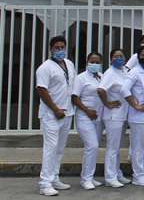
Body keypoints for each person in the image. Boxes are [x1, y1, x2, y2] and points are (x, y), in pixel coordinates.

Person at [36, 36, 75, 196]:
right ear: (51, 49)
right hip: (51, 114)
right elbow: (41, 89)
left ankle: (55, 177)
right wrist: (55, 109)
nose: (60, 50)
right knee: (50, 148)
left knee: (59, 148)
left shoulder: (69, 64)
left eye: (62, 47)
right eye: (57, 47)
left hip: (67, 113)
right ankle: (44, 183)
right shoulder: (45, 68)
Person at [122, 45, 144, 186]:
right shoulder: (134, 72)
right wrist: (135, 105)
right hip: (138, 116)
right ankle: (138, 176)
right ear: (138, 56)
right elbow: (124, 89)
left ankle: (141, 173)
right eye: (143, 54)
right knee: (138, 146)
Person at [97, 49, 130, 188]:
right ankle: (110, 177)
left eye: (121, 56)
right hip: (113, 115)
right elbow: (101, 89)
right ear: (111, 59)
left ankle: (117, 173)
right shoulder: (109, 73)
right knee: (112, 148)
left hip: (122, 115)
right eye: (116, 56)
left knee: (117, 147)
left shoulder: (124, 71)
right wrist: (107, 103)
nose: (119, 58)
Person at [71, 52, 104, 190]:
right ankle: (86, 179)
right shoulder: (81, 78)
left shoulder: (102, 77)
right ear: (87, 62)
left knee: (92, 149)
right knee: (92, 146)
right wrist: (87, 110)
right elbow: (74, 97)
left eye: (97, 62)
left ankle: (88, 175)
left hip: (98, 117)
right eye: (92, 61)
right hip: (85, 116)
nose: (94, 64)